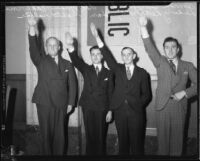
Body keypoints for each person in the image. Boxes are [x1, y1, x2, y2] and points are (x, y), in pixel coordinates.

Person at [90, 23, 152, 155]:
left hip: (136, 113)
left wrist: (138, 105)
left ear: (134, 56)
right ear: (122, 57)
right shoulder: (117, 69)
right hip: (120, 112)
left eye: (129, 54)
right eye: (124, 55)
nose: (126, 56)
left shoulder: (142, 73)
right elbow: (107, 56)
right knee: (123, 144)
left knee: (137, 145)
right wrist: (97, 38)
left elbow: (147, 95)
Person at [139, 17, 197, 156]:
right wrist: (143, 28)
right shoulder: (160, 62)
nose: (170, 50)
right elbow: (150, 48)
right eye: (167, 47)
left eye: (173, 47)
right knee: (163, 143)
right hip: (162, 106)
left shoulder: (187, 65)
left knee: (177, 142)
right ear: (163, 50)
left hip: (179, 106)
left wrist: (184, 93)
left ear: (178, 49)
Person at [27, 17, 77, 155]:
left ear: (60, 47)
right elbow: (33, 48)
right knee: (46, 135)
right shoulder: (40, 60)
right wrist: (32, 28)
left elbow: (73, 85)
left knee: (60, 135)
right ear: (46, 48)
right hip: (44, 102)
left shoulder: (68, 64)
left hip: (62, 103)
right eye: (50, 45)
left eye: (55, 45)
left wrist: (71, 103)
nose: (53, 47)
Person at [65, 32, 114, 155]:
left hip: (102, 109)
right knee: (90, 137)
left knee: (100, 138)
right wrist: (71, 46)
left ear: (102, 56)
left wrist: (110, 110)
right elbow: (76, 61)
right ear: (91, 56)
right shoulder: (86, 69)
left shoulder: (109, 73)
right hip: (88, 107)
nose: (96, 56)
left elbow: (111, 93)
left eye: (98, 54)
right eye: (93, 54)